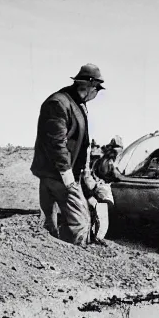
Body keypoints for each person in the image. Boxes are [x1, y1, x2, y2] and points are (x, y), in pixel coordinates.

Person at [30, 63, 105, 246]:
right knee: (80, 223)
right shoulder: (59, 103)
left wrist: (85, 175)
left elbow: (81, 143)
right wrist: (68, 177)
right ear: (87, 86)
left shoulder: (76, 103)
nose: (97, 94)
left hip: (61, 174)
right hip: (58, 174)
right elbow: (57, 143)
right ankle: (78, 261)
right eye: (96, 89)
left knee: (51, 224)